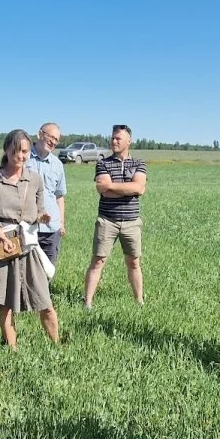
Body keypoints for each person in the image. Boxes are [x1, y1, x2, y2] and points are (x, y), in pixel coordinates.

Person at [0, 129, 59, 350]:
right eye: (16, 151)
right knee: (6, 304)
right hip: (3, 248)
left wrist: (43, 217)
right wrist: (2, 237)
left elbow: (39, 210)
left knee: (45, 301)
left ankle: (57, 347)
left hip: (28, 245)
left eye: (24, 151)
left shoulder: (34, 179)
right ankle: (12, 351)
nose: (21, 156)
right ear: (7, 149)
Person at [83, 124, 147, 308]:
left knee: (133, 262)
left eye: (118, 138)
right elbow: (103, 189)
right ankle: (87, 302)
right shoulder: (103, 163)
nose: (114, 141)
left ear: (129, 141)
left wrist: (113, 187)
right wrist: (128, 188)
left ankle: (139, 301)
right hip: (107, 220)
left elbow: (139, 188)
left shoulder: (139, 163)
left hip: (132, 222)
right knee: (98, 260)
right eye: (112, 137)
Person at [25, 122, 67, 266]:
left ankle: (44, 290)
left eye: (56, 140)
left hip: (51, 228)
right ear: (40, 134)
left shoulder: (57, 165)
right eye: (51, 137)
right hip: (27, 225)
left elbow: (59, 196)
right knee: (25, 269)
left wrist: (61, 222)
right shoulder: (24, 158)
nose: (53, 142)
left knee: (48, 269)